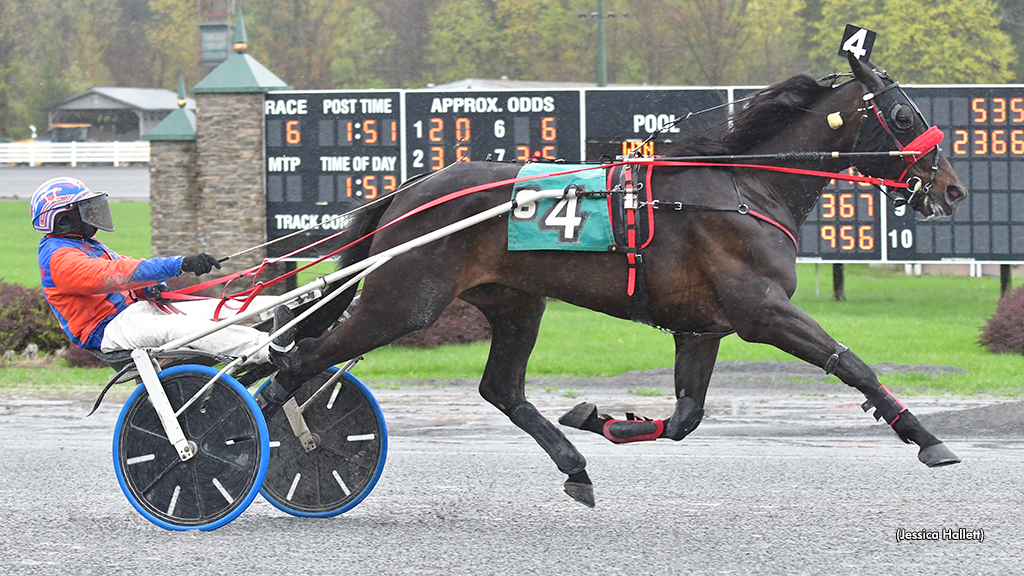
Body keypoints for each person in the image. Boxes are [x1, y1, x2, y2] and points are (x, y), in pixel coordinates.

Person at [32, 176, 299, 368]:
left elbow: (123, 271)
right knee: (186, 328)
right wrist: (179, 264)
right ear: (64, 218)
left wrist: (148, 287)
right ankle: (268, 350)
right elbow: (114, 274)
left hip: (137, 311)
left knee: (225, 307)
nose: (93, 215)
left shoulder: (81, 243)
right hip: (108, 329)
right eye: (85, 210)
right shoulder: (59, 257)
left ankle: (298, 309)